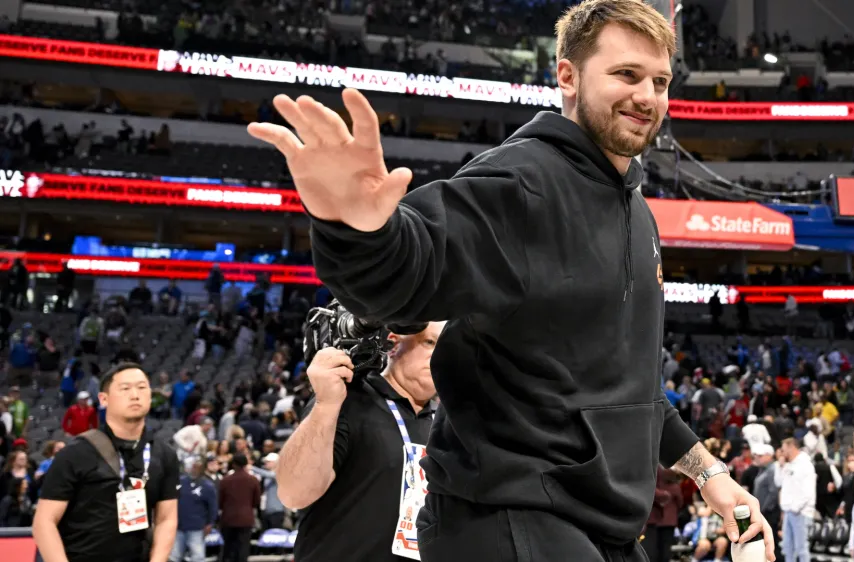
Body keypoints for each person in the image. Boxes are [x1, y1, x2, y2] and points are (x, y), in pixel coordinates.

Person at [249, 0, 776, 559]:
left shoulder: (636, 210)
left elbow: (634, 390)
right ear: (567, 76)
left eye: (660, 80)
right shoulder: (522, 181)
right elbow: (405, 273)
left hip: (599, 523)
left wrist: (713, 478)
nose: (647, 96)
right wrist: (355, 228)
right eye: (625, 74)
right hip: (509, 514)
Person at [275, 323, 443, 562]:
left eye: (445, 347)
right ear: (392, 344)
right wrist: (326, 405)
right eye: (430, 342)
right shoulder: (347, 399)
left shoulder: (445, 424)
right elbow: (294, 494)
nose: (440, 355)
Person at [33, 362, 180, 562]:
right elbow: (44, 521)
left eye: (142, 387)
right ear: (103, 399)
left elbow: (166, 518)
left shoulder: (165, 455)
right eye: (125, 389)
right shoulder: (75, 453)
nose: (135, 395)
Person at [775, 437, 816, 562]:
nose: (782, 453)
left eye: (784, 450)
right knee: (787, 548)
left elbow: (808, 491)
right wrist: (780, 466)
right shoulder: (788, 465)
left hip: (801, 512)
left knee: (801, 548)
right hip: (789, 511)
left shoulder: (805, 464)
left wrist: (795, 508)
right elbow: (778, 483)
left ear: (792, 447)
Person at [171, 458, 218, 562]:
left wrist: (210, 524)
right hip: (179, 526)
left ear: (203, 469)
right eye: (193, 466)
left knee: (197, 557)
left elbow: (213, 507)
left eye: (198, 467)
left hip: (197, 527)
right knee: (174, 557)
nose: (195, 469)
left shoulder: (208, 486)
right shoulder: (180, 482)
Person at [217, 453, 260, 562]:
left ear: (234, 464)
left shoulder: (225, 480)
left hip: (228, 519)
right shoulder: (253, 480)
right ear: (246, 464)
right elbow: (256, 502)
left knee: (228, 549)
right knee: (243, 549)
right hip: (246, 519)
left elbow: (220, 502)